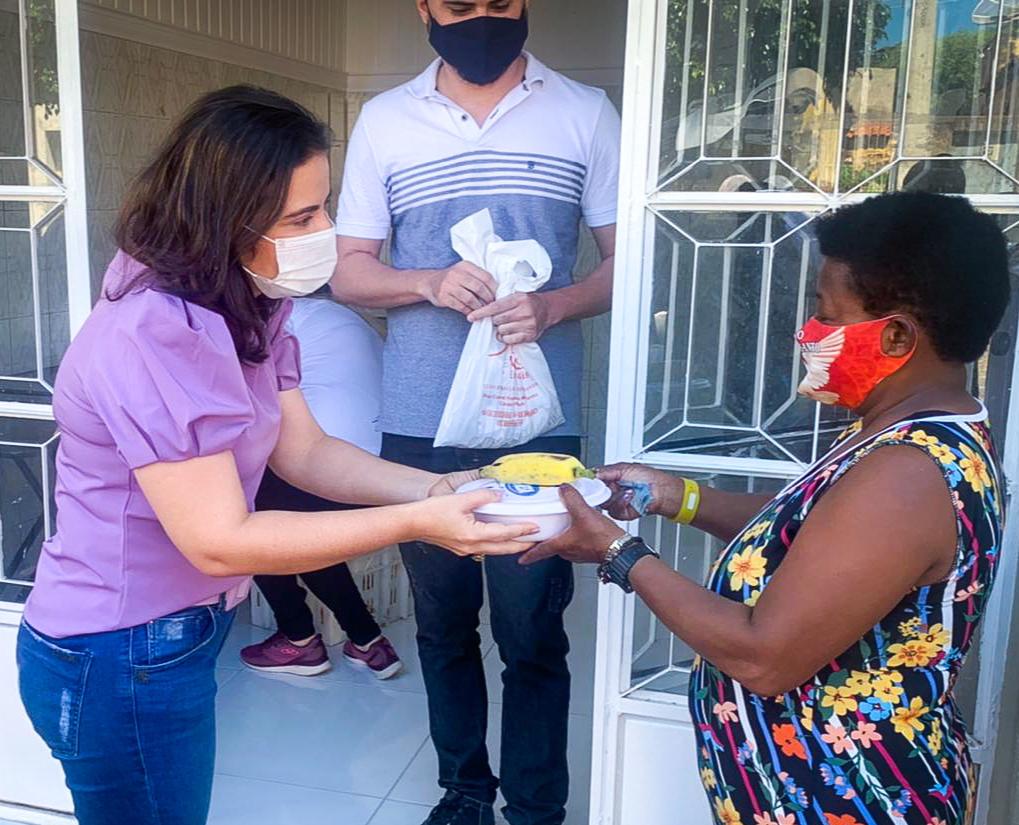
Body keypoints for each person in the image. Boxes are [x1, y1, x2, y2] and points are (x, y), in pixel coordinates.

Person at [15, 86, 535, 825]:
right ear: (225, 217)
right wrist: (420, 524)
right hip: (116, 652)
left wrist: (436, 486)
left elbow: (307, 451)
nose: (327, 230)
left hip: (171, 637)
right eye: (303, 215)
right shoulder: (155, 331)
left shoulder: (247, 306)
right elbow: (222, 539)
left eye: (322, 207)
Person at [515, 193, 1010, 825]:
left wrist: (616, 551)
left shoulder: (906, 474)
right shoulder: (900, 431)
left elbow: (763, 656)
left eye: (826, 313)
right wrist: (674, 497)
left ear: (895, 336)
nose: (808, 331)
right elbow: (813, 533)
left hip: (851, 799)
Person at [331, 2, 620, 823]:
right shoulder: (386, 121)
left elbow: (626, 261)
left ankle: (535, 806)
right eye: (460, 5)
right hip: (421, 421)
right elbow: (349, 272)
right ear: (423, 8)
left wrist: (557, 305)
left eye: (500, 2)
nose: (482, 19)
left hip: (540, 421)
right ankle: (463, 791)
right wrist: (421, 281)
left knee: (533, 627)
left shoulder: (583, 113)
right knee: (444, 620)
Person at [241, 290, 403, 679]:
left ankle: (299, 640)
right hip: (386, 473)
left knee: (252, 518)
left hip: (332, 469)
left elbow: (246, 412)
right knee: (294, 518)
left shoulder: (276, 323)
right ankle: (367, 641)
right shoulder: (349, 320)